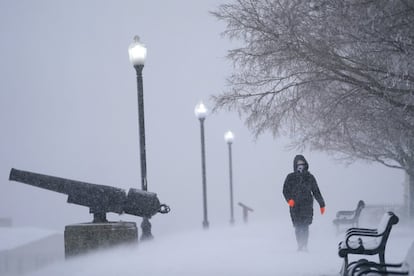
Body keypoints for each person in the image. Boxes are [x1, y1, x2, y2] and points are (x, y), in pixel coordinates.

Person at [283, 154, 326, 251]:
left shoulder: (310, 177)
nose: (300, 166)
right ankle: (300, 245)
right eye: (298, 164)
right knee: (298, 226)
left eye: (302, 163)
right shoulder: (290, 177)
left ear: (306, 164)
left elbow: (316, 191)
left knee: (305, 226)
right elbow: (285, 190)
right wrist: (289, 200)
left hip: (307, 205)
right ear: (295, 165)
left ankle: (305, 245)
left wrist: (322, 204)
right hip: (295, 206)